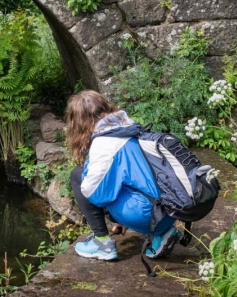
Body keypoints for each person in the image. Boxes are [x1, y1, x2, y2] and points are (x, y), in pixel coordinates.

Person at [66, 90, 179, 261]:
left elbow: (93, 194)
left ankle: (102, 244)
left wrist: (116, 214)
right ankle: (161, 235)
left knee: (78, 175)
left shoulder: (104, 144)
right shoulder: (129, 128)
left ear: (80, 123)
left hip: (145, 215)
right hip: (170, 211)